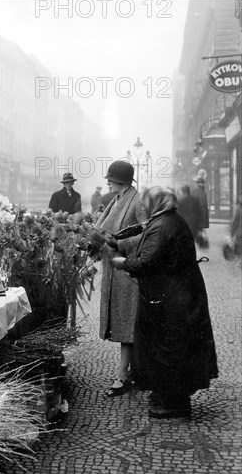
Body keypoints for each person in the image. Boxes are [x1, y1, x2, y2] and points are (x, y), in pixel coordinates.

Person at [111, 186, 218, 419]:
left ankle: (173, 404)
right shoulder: (168, 220)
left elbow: (146, 262)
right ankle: (167, 396)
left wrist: (122, 263)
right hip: (176, 296)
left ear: (156, 202)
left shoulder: (164, 225)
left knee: (169, 349)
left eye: (147, 201)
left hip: (173, 301)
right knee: (171, 347)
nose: (144, 205)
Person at [90, 160, 145, 397]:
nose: (107, 182)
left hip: (128, 273)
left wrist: (117, 243)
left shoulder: (138, 201)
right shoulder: (116, 199)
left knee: (128, 325)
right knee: (125, 324)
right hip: (116, 271)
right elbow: (101, 228)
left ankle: (124, 375)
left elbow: (146, 233)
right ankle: (130, 372)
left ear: (120, 180)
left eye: (110, 179)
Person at [230, 190, 242, 258]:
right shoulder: (239, 208)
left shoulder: (239, 208)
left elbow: (235, 222)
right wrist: (232, 233)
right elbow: (235, 222)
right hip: (240, 234)